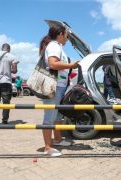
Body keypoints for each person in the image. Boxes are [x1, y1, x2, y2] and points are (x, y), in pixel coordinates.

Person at [39, 24, 78, 156]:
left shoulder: (57, 46)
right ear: (60, 34)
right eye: (66, 35)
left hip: (59, 85)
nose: (67, 38)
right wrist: (71, 65)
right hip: (54, 86)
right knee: (49, 117)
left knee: (56, 116)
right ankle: (48, 148)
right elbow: (53, 64)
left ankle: (57, 139)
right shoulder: (54, 45)